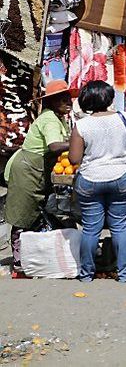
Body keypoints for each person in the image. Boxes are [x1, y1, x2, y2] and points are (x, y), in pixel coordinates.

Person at [68, 81, 126, 283]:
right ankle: (124, 274)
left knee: (91, 228)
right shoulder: (125, 118)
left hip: (90, 179)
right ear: (109, 98)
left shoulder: (81, 125)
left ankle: (86, 275)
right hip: (121, 176)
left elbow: (74, 159)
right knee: (120, 226)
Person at [4, 81, 71, 277]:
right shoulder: (49, 119)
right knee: (22, 215)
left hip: (39, 171)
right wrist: (77, 142)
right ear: (51, 102)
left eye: (68, 98)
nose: (68, 102)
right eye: (62, 98)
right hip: (26, 171)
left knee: (40, 213)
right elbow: (53, 146)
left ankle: (36, 256)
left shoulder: (60, 118)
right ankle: (18, 263)